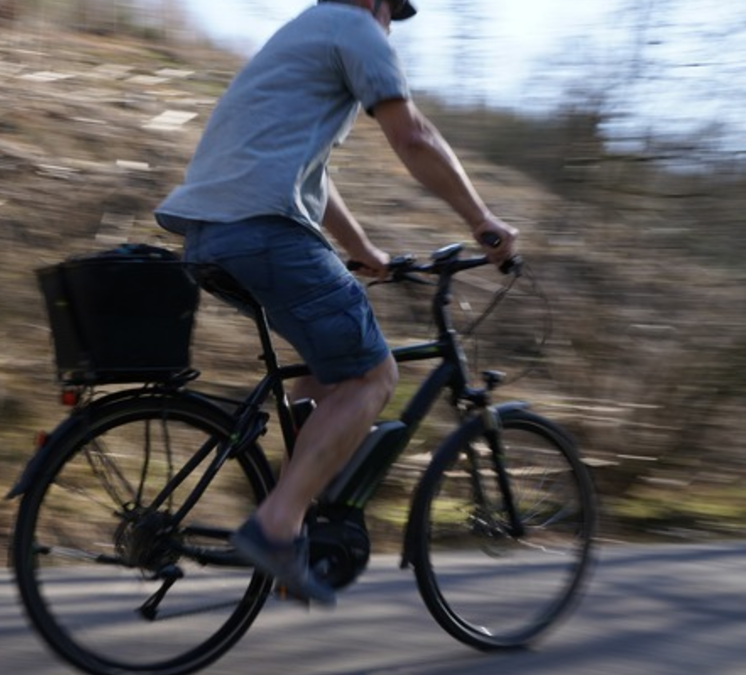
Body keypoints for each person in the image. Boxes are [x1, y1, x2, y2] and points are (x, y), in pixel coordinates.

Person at [154, 0, 519, 606]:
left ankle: (294, 532)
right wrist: (483, 221)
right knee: (372, 377)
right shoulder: (355, 28)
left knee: (320, 380)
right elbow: (414, 135)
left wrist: (364, 250)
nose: (388, 27)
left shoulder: (299, 34)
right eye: (392, 14)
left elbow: (310, 178)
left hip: (209, 235)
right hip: (265, 231)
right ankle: (276, 527)